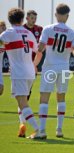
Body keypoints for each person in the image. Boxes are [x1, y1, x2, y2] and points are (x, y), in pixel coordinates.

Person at [37, 3, 74, 139]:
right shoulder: (72, 32)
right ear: (67, 16)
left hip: (50, 67)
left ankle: (43, 130)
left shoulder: (48, 29)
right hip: (63, 68)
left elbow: (40, 48)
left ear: (56, 14)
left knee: (44, 98)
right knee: (61, 98)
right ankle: (59, 129)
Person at [0, 8, 41, 139]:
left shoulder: (8, 33)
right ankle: (22, 126)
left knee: (22, 102)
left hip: (19, 72)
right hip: (30, 72)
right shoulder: (29, 34)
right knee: (21, 101)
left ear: (9, 20)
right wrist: (34, 65)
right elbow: (39, 51)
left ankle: (37, 130)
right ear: (22, 19)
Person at [17, 10, 43, 137]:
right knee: (23, 97)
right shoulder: (22, 30)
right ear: (26, 18)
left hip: (30, 67)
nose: (33, 20)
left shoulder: (39, 29)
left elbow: (41, 49)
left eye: (35, 18)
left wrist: (35, 64)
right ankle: (22, 124)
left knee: (24, 96)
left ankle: (22, 123)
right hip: (27, 66)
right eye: (31, 18)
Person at [0, 21, 6, 96]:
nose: (4, 29)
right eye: (2, 27)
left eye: (5, 27)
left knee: (1, 90)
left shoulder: (4, 41)